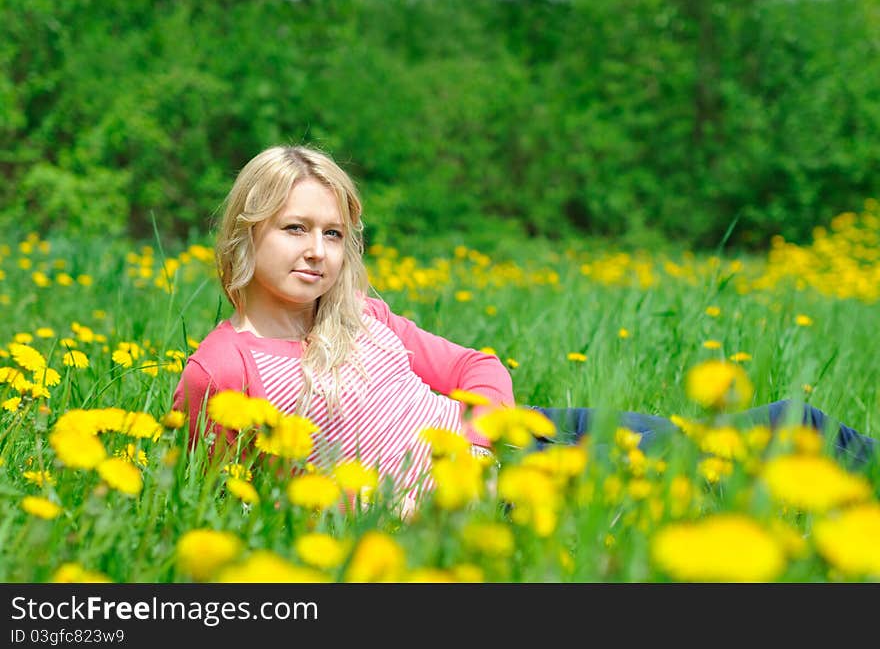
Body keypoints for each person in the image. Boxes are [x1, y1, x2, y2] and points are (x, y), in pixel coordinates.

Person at [172, 145, 876, 508]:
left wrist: (480, 434)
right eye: (295, 228)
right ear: (245, 232)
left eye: (333, 232)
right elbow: (224, 494)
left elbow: (478, 366)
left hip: (525, 434)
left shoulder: (363, 317)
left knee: (749, 435)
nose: (318, 250)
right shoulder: (224, 370)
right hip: (491, 499)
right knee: (752, 448)